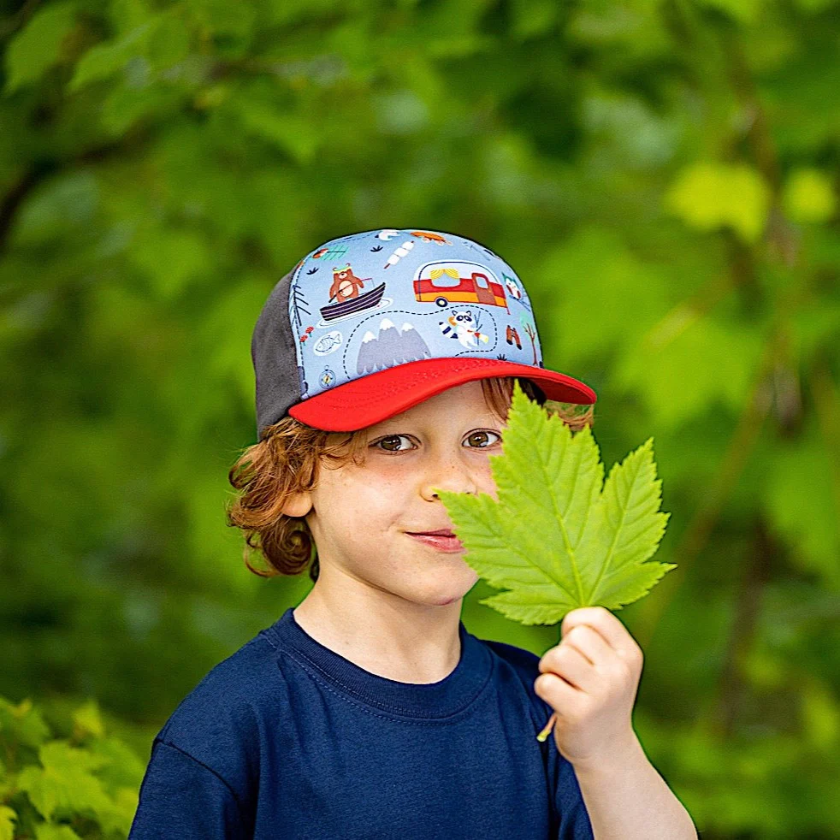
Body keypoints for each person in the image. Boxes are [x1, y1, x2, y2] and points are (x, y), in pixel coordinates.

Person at [129, 229, 698, 839]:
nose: (452, 484)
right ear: (293, 478)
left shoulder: (549, 710)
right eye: (395, 442)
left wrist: (609, 752)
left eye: (483, 439)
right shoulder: (236, 726)